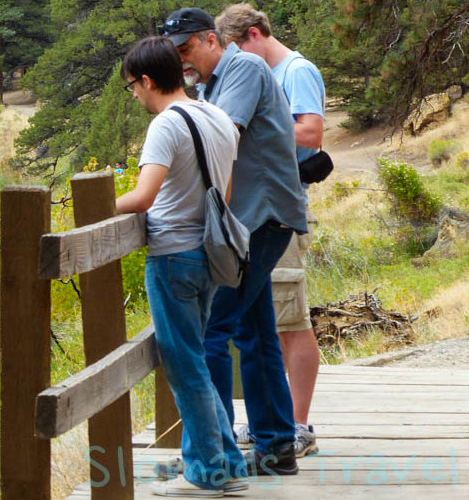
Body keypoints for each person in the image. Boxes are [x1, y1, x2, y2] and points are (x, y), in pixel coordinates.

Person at [161, 7, 308, 476]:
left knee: (209, 332)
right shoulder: (211, 84)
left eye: (185, 49)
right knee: (255, 333)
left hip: (261, 219)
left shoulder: (242, 66)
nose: (182, 60)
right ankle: (275, 449)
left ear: (210, 39)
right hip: (250, 222)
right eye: (174, 53)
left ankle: (216, 456)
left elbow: (221, 136)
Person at [115, 36, 247, 497]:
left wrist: (93, 209)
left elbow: (143, 197)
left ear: (148, 80)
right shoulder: (217, 117)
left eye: (132, 85)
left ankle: (207, 470)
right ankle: (225, 459)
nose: (133, 94)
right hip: (211, 255)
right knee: (197, 358)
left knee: (184, 364)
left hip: (171, 256)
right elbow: (224, 196)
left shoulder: (165, 125)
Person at [215, 2, 327, 459]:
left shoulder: (295, 71)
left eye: (238, 47)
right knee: (264, 320)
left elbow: (312, 132)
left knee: (289, 319)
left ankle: (297, 424)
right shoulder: (259, 71)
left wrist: (260, 125)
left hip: (278, 209)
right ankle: (275, 424)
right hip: (257, 209)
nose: (236, 59)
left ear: (256, 34)